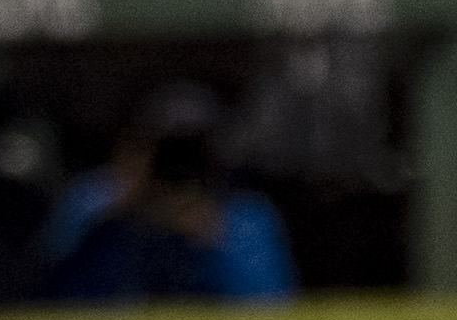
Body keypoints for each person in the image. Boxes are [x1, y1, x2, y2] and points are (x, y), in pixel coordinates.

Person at [34, 84, 294, 305]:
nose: (178, 165)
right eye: (167, 152)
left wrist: (212, 239)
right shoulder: (97, 204)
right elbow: (57, 299)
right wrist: (127, 220)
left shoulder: (247, 218)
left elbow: (270, 304)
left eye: (192, 152)